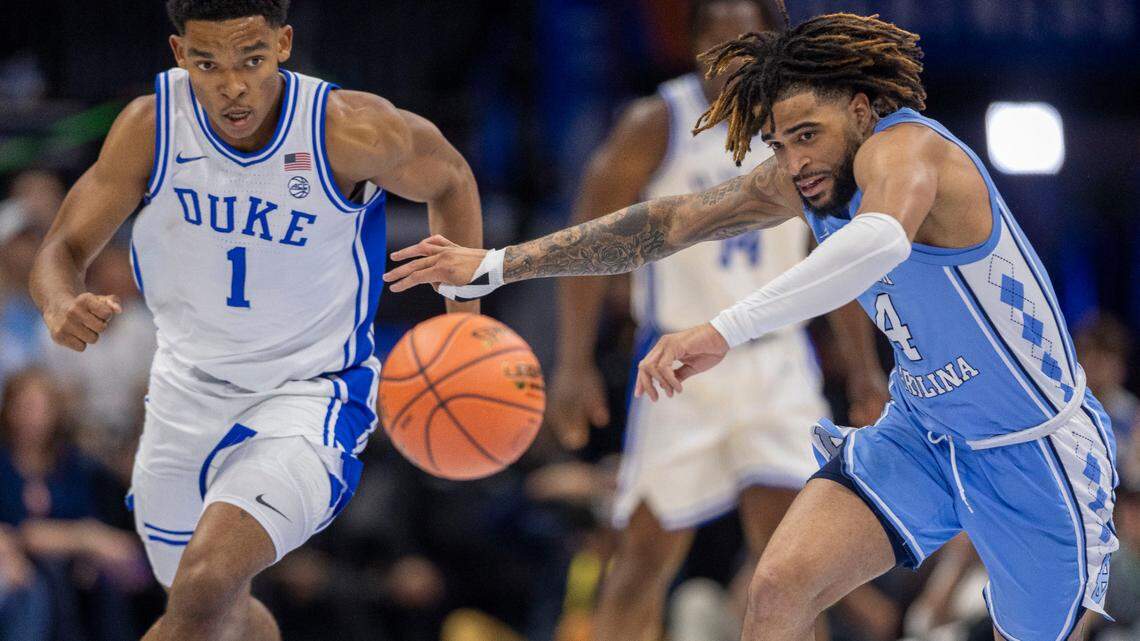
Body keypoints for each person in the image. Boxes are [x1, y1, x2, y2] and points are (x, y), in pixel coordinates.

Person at [385, 10, 1119, 641]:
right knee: (775, 592)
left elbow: (878, 243)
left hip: (1034, 451)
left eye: (806, 135)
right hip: (923, 434)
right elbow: (670, 220)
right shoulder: (810, 173)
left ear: (862, 109)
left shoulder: (910, 149)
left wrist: (721, 329)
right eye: (779, 143)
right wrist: (499, 264)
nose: (793, 162)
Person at [28, 1, 483, 639]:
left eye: (252, 59)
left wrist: (466, 325)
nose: (233, 85)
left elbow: (452, 179)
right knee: (218, 610)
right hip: (184, 393)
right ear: (181, 54)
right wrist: (58, 302)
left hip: (308, 396)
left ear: (285, 44)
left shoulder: (348, 130)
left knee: (207, 581)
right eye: (209, 64)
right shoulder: (152, 127)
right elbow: (61, 249)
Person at [547, 2, 885, 639]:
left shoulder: (805, 127)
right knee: (641, 557)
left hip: (777, 362)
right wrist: (572, 362)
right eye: (716, 38)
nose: (730, 54)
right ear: (693, 43)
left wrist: (866, 374)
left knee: (791, 563)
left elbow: (839, 258)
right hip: (678, 369)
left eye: (746, 39)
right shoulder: (658, 122)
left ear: (772, 45)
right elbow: (586, 238)